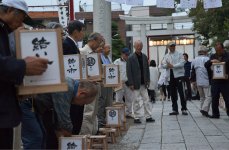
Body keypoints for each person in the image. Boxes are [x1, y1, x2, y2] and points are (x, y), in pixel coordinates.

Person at [0, 0, 49, 149]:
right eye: (20, 18)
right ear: (9, 10)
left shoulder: (4, 31)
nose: (21, 24)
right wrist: (23, 66)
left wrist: (16, 89)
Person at [19, 21, 65, 150]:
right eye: (59, 34)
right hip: (29, 100)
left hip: (40, 102)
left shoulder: (57, 52)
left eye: (62, 35)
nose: (61, 38)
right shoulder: (31, 48)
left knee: (42, 134)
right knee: (35, 136)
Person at [34, 78, 98, 149]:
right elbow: (64, 119)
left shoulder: (72, 84)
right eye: (84, 103)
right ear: (82, 94)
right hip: (29, 103)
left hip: (39, 107)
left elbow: (58, 119)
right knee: (36, 137)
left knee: (42, 136)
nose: (81, 105)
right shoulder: (66, 88)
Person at [79, 32, 104, 135]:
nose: (100, 45)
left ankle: (93, 134)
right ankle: (86, 135)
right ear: (93, 41)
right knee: (88, 113)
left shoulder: (95, 53)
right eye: (99, 42)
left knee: (94, 112)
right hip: (86, 87)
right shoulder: (82, 52)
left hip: (95, 86)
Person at [126, 40, 154, 124]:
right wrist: (130, 83)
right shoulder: (130, 58)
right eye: (137, 46)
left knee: (146, 100)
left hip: (144, 83)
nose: (139, 47)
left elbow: (147, 69)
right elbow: (128, 71)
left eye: (140, 45)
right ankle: (136, 117)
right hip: (135, 83)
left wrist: (148, 80)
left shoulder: (145, 57)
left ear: (142, 46)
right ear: (134, 47)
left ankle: (148, 116)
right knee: (136, 101)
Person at [161, 41, 188, 115]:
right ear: (169, 47)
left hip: (179, 75)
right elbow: (162, 64)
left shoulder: (179, 54)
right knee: (173, 93)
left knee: (181, 92)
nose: (172, 47)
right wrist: (167, 66)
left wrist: (173, 66)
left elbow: (182, 63)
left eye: (173, 46)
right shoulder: (166, 55)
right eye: (171, 46)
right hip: (170, 75)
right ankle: (175, 109)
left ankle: (184, 109)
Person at [205, 42, 229, 119]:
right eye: (216, 50)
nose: (218, 52)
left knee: (227, 98)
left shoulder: (227, 55)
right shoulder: (213, 56)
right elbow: (206, 65)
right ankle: (215, 114)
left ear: (223, 49)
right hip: (215, 80)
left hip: (225, 81)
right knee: (214, 98)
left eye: (219, 50)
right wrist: (211, 61)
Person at [191, 46, 211, 117]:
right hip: (206, 80)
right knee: (208, 96)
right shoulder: (208, 59)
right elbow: (211, 70)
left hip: (198, 81)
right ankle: (204, 109)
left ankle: (202, 109)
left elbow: (192, 71)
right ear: (205, 52)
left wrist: (193, 81)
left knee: (202, 97)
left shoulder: (194, 60)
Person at [114, 48, 133, 117]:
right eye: (126, 55)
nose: (127, 56)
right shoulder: (117, 62)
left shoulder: (130, 61)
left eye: (128, 55)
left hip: (128, 83)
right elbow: (113, 71)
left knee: (129, 99)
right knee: (119, 99)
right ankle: (120, 114)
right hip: (119, 83)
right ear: (122, 54)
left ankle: (128, 113)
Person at [97, 44, 114, 127]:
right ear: (103, 49)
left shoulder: (108, 58)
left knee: (109, 101)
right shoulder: (99, 57)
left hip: (110, 82)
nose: (109, 49)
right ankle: (100, 120)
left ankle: (108, 119)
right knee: (102, 101)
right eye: (108, 48)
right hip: (103, 82)